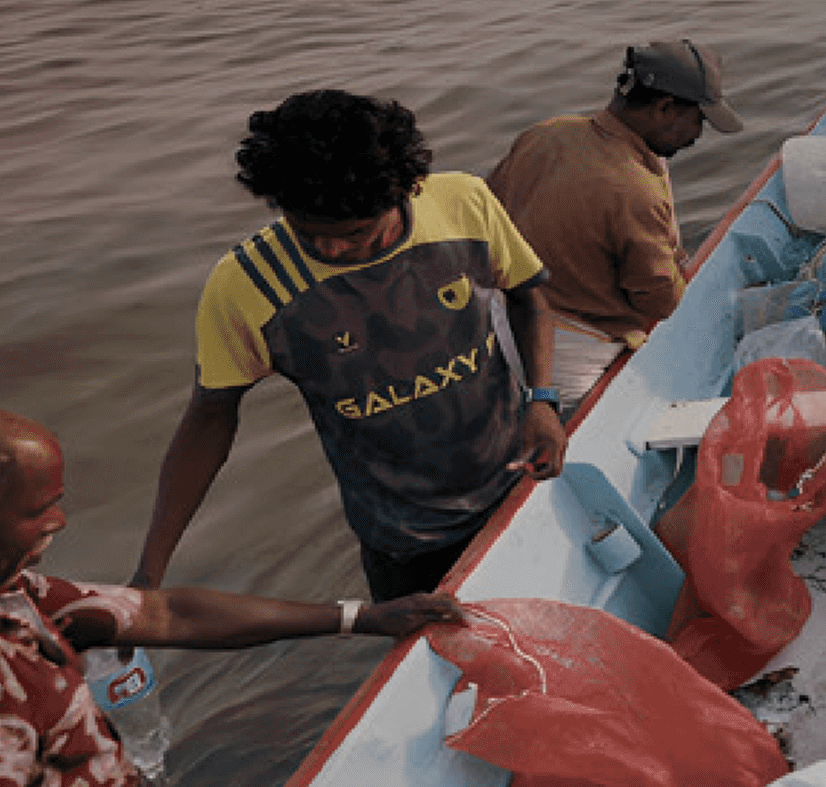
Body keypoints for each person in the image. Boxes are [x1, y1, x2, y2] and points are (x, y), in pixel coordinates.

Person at [135, 89, 566, 604]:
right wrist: (149, 572)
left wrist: (543, 401)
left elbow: (528, 296)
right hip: (403, 538)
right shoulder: (247, 285)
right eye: (308, 233)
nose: (331, 249)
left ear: (405, 190)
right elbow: (210, 417)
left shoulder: (461, 203)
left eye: (357, 232)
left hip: (515, 481)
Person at [2, 408, 461, 787]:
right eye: (38, 509)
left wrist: (362, 618)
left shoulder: (23, 595)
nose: (58, 522)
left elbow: (169, 615)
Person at [486, 39, 745, 405]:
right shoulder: (635, 187)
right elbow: (659, 302)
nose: (698, 136)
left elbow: (489, 222)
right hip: (572, 356)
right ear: (665, 107)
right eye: (698, 120)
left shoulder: (543, 135)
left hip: (499, 325)